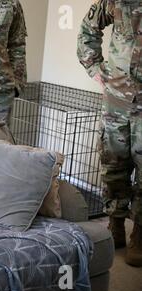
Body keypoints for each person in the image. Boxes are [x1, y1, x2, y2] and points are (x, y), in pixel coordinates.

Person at [77, 0, 141, 266]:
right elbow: (88, 30)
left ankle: (139, 232)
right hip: (117, 98)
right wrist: (95, 68)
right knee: (113, 162)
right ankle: (115, 226)